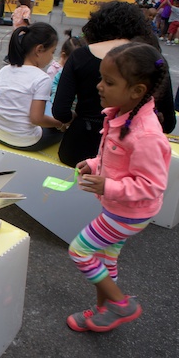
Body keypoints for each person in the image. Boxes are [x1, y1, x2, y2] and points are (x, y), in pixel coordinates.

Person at [67, 42, 171, 333]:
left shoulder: (146, 134)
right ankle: (104, 311)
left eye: (109, 82)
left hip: (129, 214)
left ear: (137, 90)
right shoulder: (122, 113)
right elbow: (114, 158)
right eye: (101, 78)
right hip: (120, 208)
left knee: (79, 250)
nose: (99, 86)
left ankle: (121, 304)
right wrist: (94, 164)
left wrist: (108, 186)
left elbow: (151, 185)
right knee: (105, 259)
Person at [52, 1, 176, 167]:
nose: (100, 86)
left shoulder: (80, 56)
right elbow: (168, 122)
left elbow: (60, 111)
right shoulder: (150, 61)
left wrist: (76, 119)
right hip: (128, 157)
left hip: (78, 147)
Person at [0, 23, 67, 151]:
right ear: (39, 50)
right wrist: (59, 124)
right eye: (52, 52)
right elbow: (37, 118)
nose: (52, 57)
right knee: (60, 131)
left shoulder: (5, 70)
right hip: (24, 141)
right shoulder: (42, 78)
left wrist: (7, 113)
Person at [44, 30, 86, 115]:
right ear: (63, 55)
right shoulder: (55, 70)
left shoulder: (78, 70)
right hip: (54, 103)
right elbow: (50, 88)